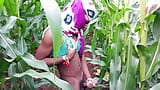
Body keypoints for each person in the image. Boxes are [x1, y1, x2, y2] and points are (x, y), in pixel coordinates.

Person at [35, 0, 97, 90]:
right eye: (84, 21)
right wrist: (66, 57)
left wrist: (88, 78)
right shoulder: (54, 34)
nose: (85, 26)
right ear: (76, 14)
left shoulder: (77, 30)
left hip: (82, 83)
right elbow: (38, 61)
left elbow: (81, 57)